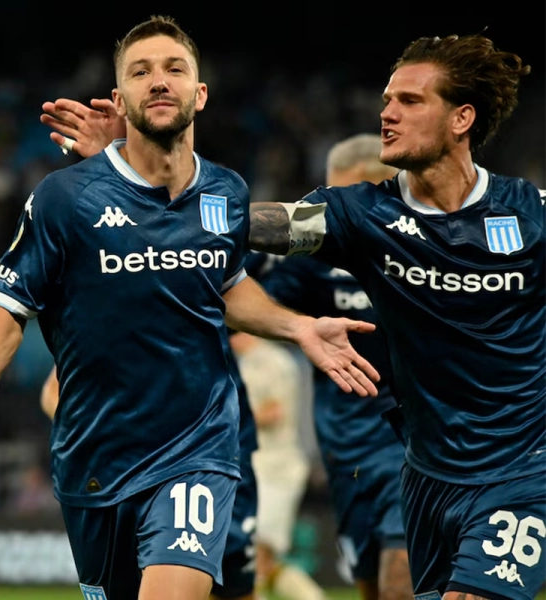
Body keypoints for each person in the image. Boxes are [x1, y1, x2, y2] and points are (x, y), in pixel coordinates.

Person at [38, 32, 544, 600]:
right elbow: (227, 225)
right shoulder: (362, 216)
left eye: (409, 101)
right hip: (429, 475)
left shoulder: (531, 215)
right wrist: (124, 173)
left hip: (524, 468)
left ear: (461, 118)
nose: (387, 114)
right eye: (387, 100)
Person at [0, 16, 380, 600]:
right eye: (141, 72)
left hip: (198, 447)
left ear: (200, 93)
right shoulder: (65, 197)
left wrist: (297, 326)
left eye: (175, 69)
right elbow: (10, 305)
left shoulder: (226, 192)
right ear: (120, 99)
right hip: (94, 457)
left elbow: (228, 286)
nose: (159, 80)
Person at [257, 135, 412, 600]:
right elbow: (250, 303)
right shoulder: (314, 263)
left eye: (341, 198)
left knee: (400, 582)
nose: (329, 215)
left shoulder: (423, 249)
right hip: (345, 452)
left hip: (409, 444)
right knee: (371, 588)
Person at [40, 336, 262, 600]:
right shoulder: (112, 330)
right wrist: (97, 434)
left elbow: (256, 314)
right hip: (122, 475)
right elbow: (52, 393)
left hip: (211, 460)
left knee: (235, 588)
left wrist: (298, 329)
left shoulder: (205, 318)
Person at [228, 332, 327, 600]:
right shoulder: (249, 359)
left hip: (275, 468)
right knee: (260, 555)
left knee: (257, 552)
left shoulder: (268, 360)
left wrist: (224, 424)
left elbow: (274, 412)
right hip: (259, 466)